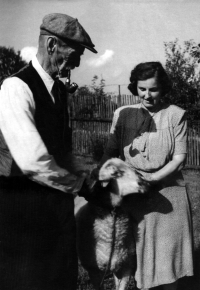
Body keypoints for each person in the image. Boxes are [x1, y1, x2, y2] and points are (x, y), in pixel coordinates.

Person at [0, 13, 97, 290]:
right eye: (75, 52)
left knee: (60, 278)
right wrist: (80, 185)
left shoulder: (60, 92)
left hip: (58, 209)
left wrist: (86, 176)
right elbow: (33, 162)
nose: (78, 62)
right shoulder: (15, 88)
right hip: (22, 209)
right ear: (52, 44)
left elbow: (61, 150)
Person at [93, 62, 194, 290]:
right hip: (131, 194)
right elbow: (110, 152)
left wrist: (152, 179)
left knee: (167, 265)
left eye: (153, 89)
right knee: (127, 260)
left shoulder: (176, 116)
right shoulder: (122, 114)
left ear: (163, 88)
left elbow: (179, 159)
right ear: (135, 88)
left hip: (167, 196)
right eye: (142, 89)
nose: (147, 95)